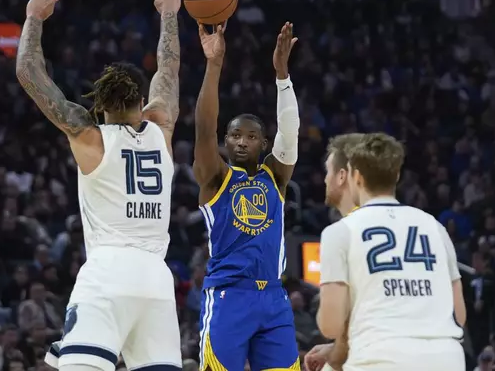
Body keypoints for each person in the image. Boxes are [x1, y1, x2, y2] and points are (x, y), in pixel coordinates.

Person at [15, 0, 183, 371]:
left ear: (99, 106)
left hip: (108, 275)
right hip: (157, 281)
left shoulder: (89, 136)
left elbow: (28, 70)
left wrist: (33, 19)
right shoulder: (162, 127)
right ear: (143, 102)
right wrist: (169, 13)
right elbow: (168, 67)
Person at [193, 21, 301, 370]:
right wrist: (214, 66)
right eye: (235, 135)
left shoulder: (276, 176)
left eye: (250, 136)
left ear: (263, 143)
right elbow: (205, 127)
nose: (241, 141)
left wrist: (282, 75)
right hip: (229, 294)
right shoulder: (216, 177)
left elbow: (290, 130)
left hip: (273, 295)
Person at [316, 133, 467, 371]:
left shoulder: (340, 232)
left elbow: (330, 326)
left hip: (381, 359)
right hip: (447, 359)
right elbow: (459, 315)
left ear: (355, 176)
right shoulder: (435, 226)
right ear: (396, 176)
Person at [304, 133, 364, 371]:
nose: (325, 179)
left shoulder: (343, 232)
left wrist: (335, 354)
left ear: (342, 176)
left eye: (328, 171)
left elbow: (331, 324)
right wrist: (334, 349)